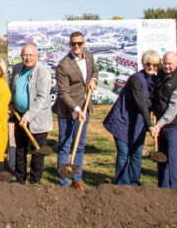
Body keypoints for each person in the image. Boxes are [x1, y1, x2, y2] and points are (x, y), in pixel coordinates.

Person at [103, 50, 159, 186]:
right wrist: (150, 125)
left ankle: (134, 183)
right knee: (124, 153)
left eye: (155, 65)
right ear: (143, 63)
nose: (151, 67)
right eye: (148, 64)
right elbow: (141, 104)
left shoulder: (155, 80)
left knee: (137, 153)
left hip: (138, 122)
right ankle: (122, 185)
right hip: (122, 120)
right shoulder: (136, 80)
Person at [54, 31, 98, 190]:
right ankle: (64, 182)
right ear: (70, 45)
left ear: (84, 43)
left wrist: (94, 80)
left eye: (80, 43)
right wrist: (77, 109)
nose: (77, 46)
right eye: (73, 44)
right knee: (65, 145)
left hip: (84, 107)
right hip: (67, 110)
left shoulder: (88, 57)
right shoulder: (63, 65)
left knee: (79, 145)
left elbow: (94, 70)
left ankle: (77, 179)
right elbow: (63, 94)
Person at [9, 44, 53, 184]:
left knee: (37, 152)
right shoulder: (17, 69)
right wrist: (11, 102)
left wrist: (28, 117)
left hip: (37, 119)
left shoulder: (43, 72)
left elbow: (42, 98)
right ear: (21, 56)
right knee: (20, 150)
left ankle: (35, 183)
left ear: (37, 56)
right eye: (25, 55)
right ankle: (20, 181)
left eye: (31, 55)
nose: (28, 58)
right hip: (19, 116)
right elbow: (12, 88)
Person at [152, 51, 177, 189]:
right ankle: (163, 187)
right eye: (164, 63)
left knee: (172, 156)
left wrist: (159, 124)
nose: (166, 66)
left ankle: (174, 188)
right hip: (161, 124)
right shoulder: (161, 74)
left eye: (169, 64)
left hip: (175, 125)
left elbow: (173, 109)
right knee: (162, 156)